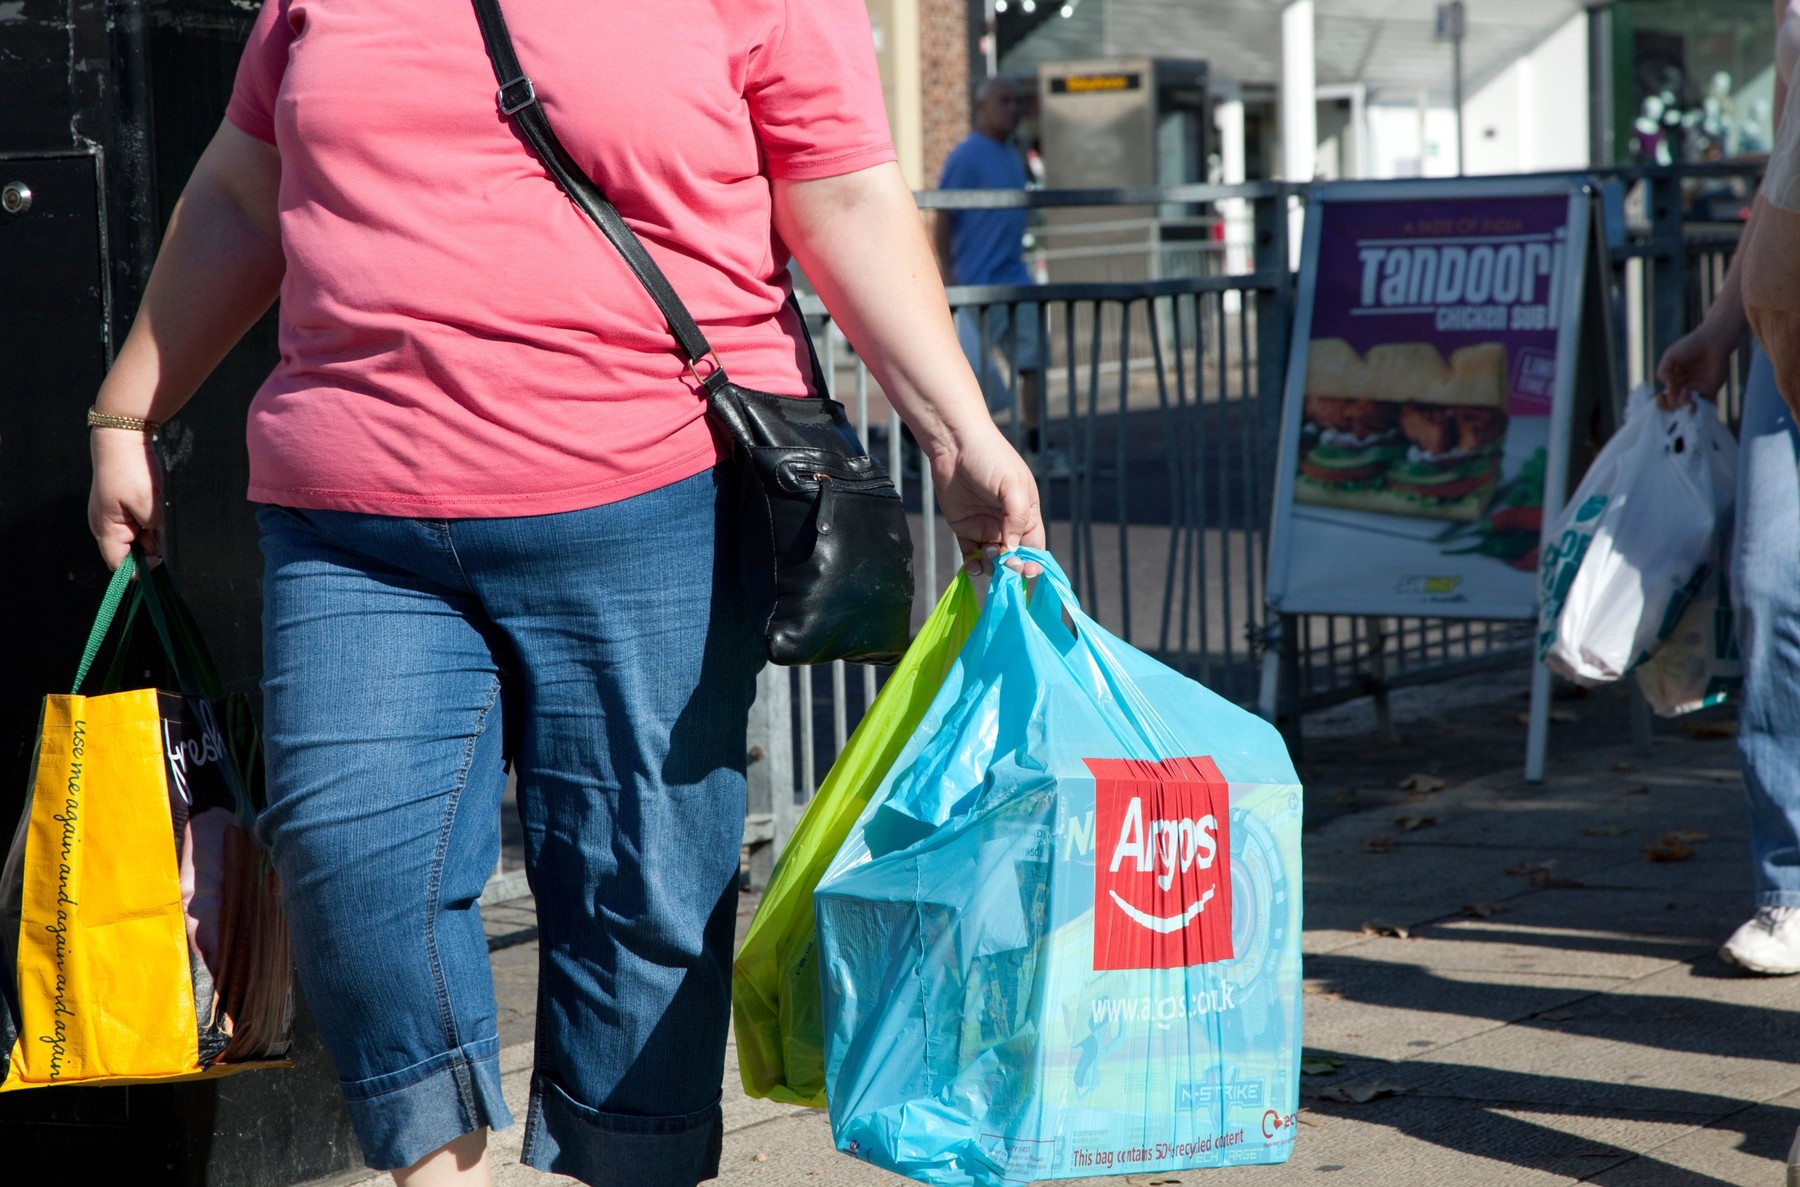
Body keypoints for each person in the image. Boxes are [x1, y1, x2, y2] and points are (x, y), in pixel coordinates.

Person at [84, 2, 1043, 1184]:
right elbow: (240, 192)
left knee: (641, 894)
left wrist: (960, 436)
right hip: (351, 516)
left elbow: (842, 194)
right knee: (346, 869)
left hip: (650, 498)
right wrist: (130, 406)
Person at [1658, 0, 1800, 975]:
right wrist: (1722, 326)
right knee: (1768, 587)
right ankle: (1790, 880)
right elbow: (1783, 166)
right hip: (1784, 345)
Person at [933, 77, 1066, 478]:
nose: (1014, 108)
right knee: (963, 377)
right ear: (983, 106)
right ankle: (937, 451)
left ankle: (1037, 446)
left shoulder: (1013, 154)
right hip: (977, 284)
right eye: (1004, 100)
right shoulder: (967, 156)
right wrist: (950, 276)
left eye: (1018, 100)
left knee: (1032, 364)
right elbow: (943, 216)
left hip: (1015, 279)